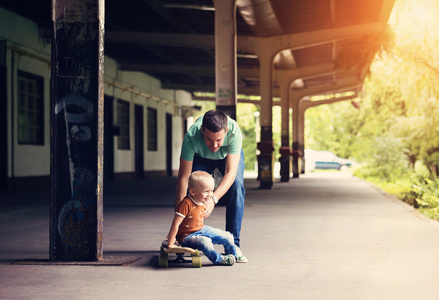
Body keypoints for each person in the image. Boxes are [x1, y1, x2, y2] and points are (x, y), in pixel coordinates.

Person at [175, 110, 247, 262]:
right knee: (192, 188)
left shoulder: (234, 132)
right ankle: (187, 235)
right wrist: (178, 226)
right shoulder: (191, 136)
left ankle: (234, 244)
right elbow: (183, 179)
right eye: (209, 139)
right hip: (201, 157)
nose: (214, 145)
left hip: (227, 156)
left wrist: (213, 199)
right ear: (202, 131)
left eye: (219, 140)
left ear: (226, 132)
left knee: (237, 187)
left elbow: (230, 174)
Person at [166, 171, 239, 265]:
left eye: (212, 190)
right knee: (206, 242)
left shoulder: (204, 201)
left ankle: (233, 255)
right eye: (206, 191)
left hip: (201, 229)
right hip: (186, 236)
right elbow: (175, 223)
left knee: (228, 236)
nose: (210, 194)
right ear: (192, 191)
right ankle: (219, 259)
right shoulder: (186, 204)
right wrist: (171, 242)